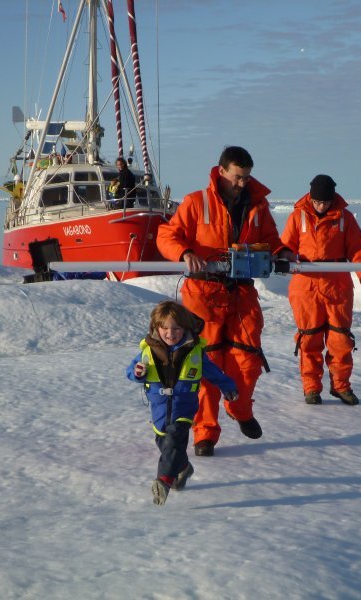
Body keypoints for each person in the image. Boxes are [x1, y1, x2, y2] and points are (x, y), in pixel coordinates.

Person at [156, 146, 295, 456]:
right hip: (203, 295)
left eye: (246, 177)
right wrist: (185, 253)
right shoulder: (196, 202)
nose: (242, 183)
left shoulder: (257, 205)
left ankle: (240, 409)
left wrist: (282, 252)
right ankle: (205, 433)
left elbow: (271, 240)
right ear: (221, 172)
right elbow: (167, 235)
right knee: (206, 366)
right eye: (237, 177)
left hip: (242, 293)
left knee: (248, 361)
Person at [126, 300, 238, 505]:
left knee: (174, 439)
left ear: (185, 328)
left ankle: (164, 480)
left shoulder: (193, 351)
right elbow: (131, 371)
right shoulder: (148, 351)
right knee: (163, 442)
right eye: (165, 328)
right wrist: (137, 373)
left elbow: (214, 372)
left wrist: (228, 387)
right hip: (159, 409)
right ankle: (183, 468)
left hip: (184, 406)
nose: (171, 333)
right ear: (156, 328)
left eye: (176, 328)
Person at [280, 174, 361, 406]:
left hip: (337, 284)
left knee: (340, 339)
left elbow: (358, 247)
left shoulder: (345, 218)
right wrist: (284, 257)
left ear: (333, 199)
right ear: (310, 197)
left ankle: (341, 387)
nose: (321, 206)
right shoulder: (297, 217)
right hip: (305, 286)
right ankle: (311, 388)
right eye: (317, 202)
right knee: (309, 340)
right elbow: (284, 246)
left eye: (325, 202)